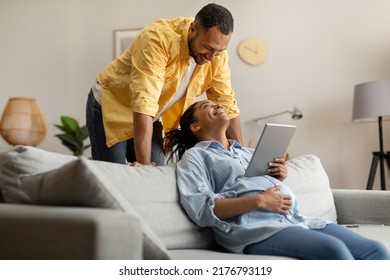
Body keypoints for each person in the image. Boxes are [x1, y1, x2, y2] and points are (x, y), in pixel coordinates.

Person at [164, 100, 390, 260]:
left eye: (217, 103)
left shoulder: (247, 152)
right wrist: (259, 201)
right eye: (207, 106)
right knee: (335, 251)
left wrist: (278, 175)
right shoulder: (196, 156)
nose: (217, 105)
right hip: (255, 228)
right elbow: (201, 209)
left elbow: (260, 183)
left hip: (296, 219)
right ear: (196, 126)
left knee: (376, 251)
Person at [86, 3, 242, 166]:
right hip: (112, 104)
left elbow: (227, 104)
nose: (211, 57)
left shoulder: (217, 56)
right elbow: (144, 100)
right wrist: (144, 166)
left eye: (219, 51)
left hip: (150, 114)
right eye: (207, 48)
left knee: (157, 171)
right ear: (193, 29)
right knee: (115, 174)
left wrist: (242, 158)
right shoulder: (158, 38)